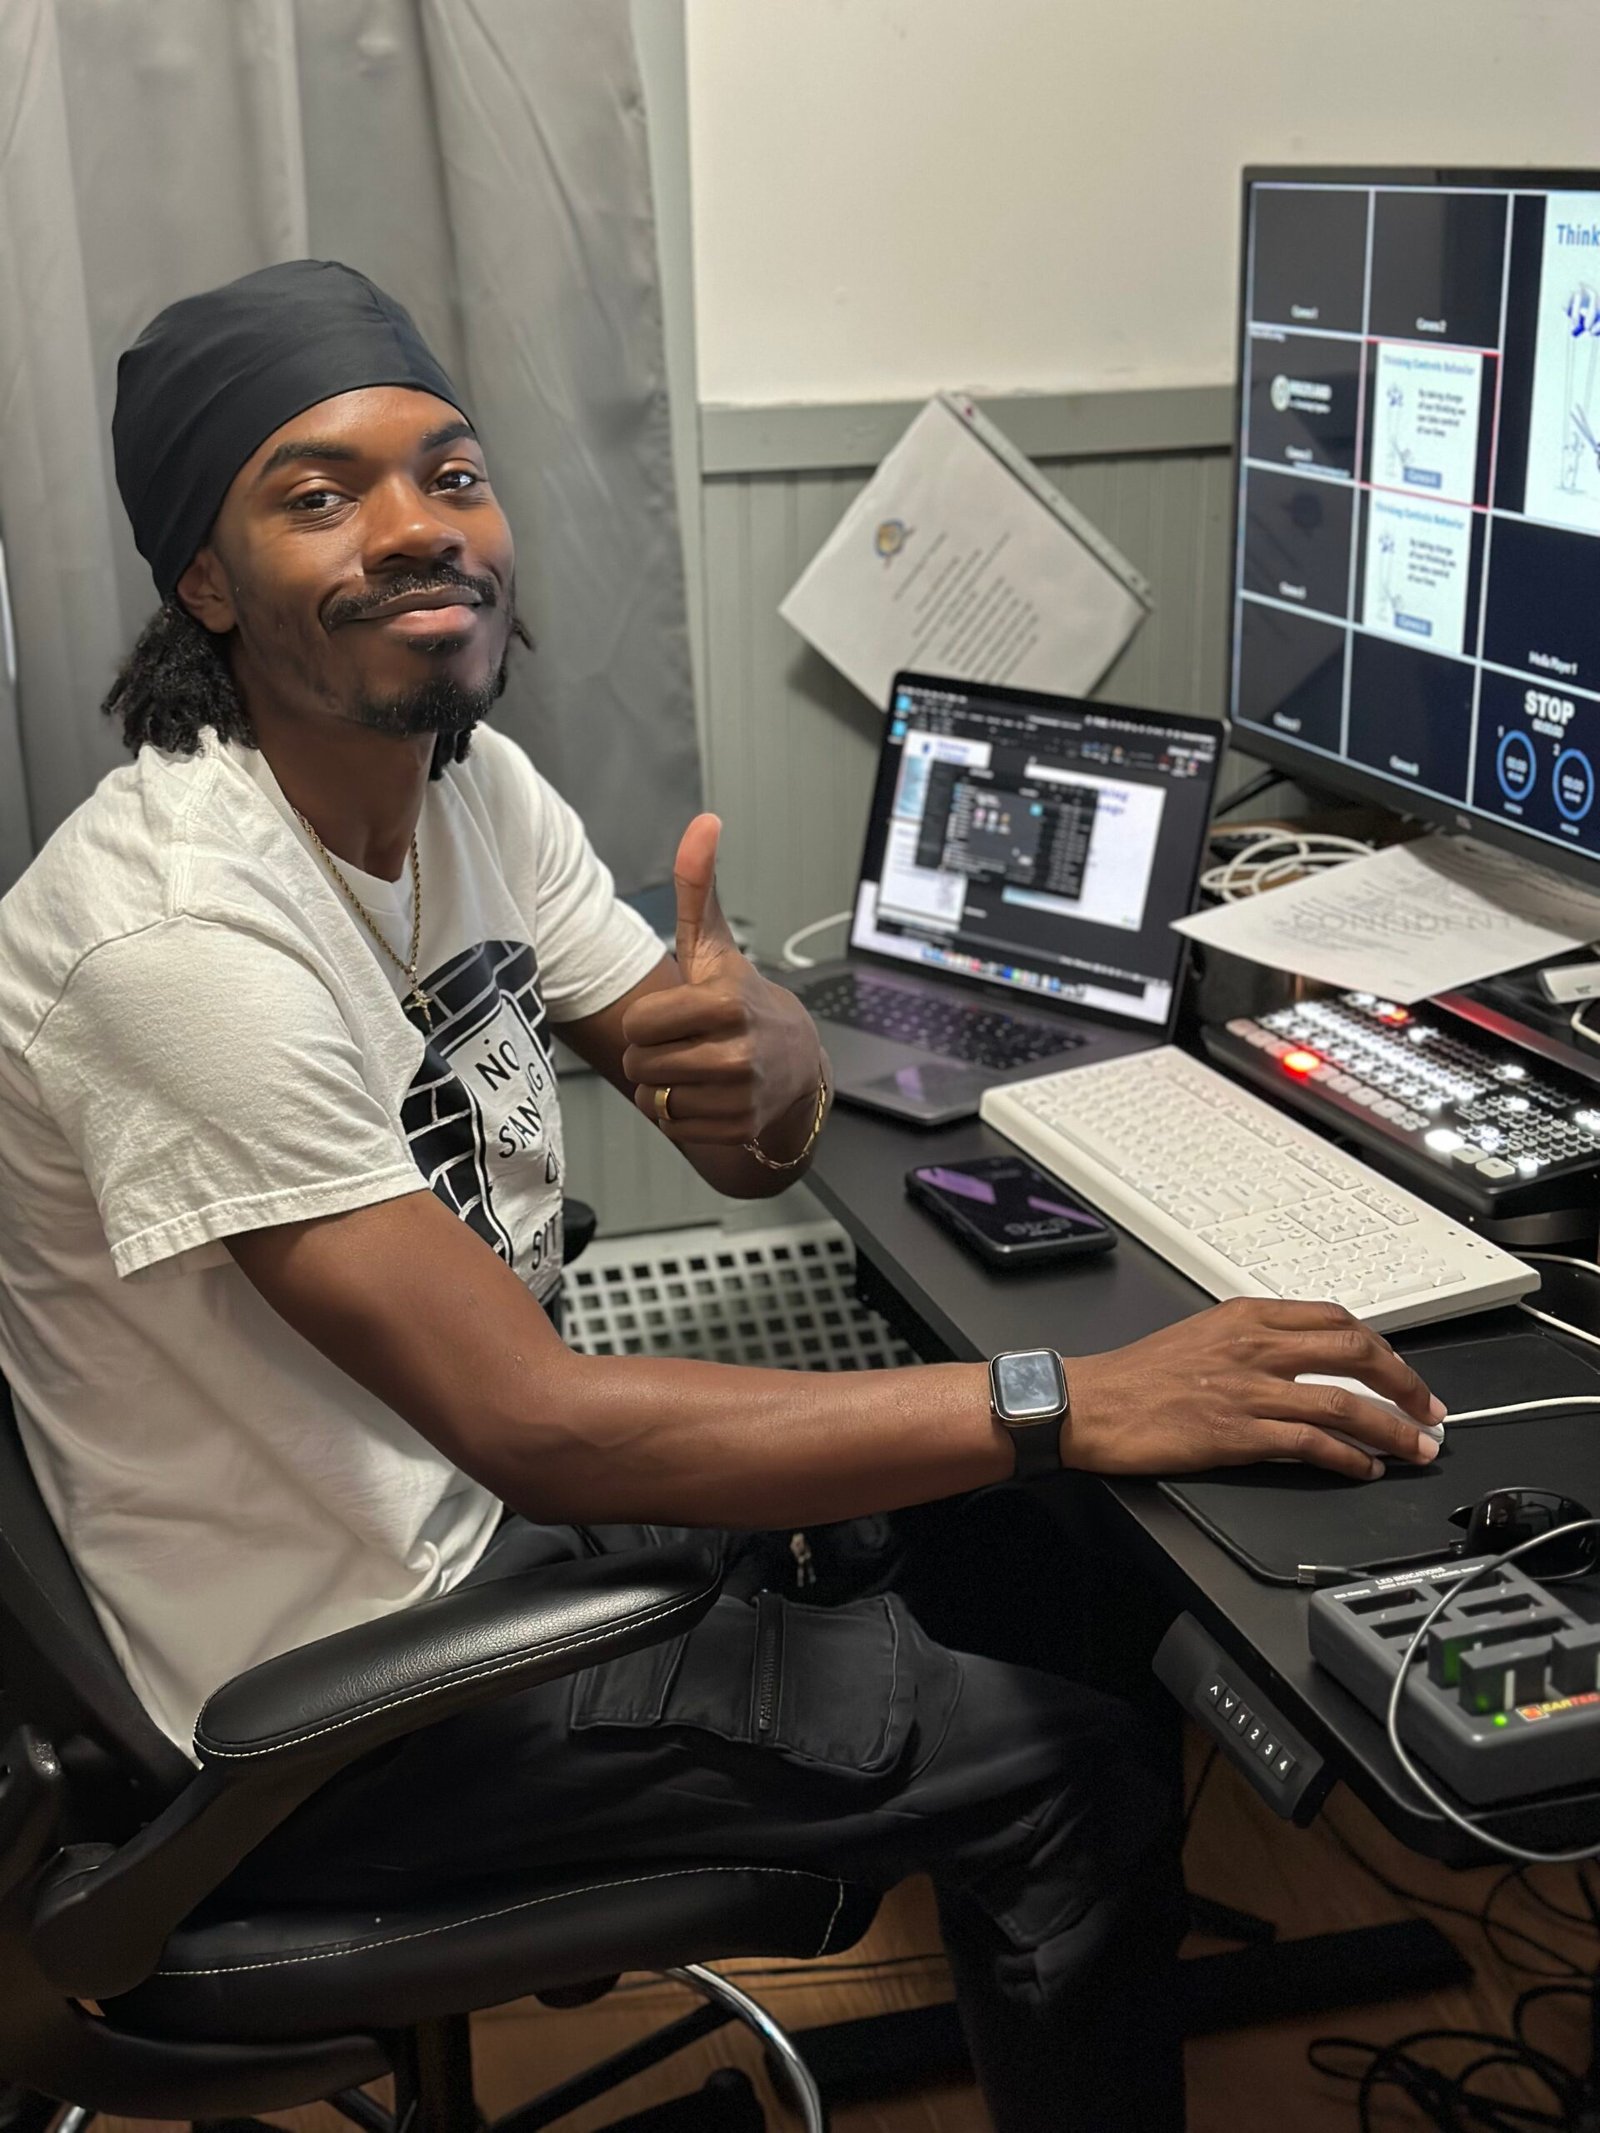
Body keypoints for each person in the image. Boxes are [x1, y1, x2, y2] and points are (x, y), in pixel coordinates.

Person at [0, 262, 1444, 2131]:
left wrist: (776, 1050)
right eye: (319, 494)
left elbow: (743, 1128)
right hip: (337, 1700)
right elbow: (536, 1423)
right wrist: (1067, 1392)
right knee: (1070, 1759)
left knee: (1058, 1558)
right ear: (206, 584)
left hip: (470, 1538)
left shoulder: (469, 794)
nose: (416, 528)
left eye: (450, 473)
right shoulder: (178, 940)